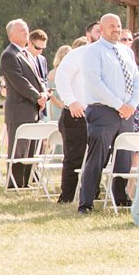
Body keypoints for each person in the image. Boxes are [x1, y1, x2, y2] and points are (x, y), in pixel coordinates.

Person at [76, 14, 139, 213]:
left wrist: (131, 104)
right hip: (103, 111)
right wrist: (118, 104)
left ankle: (120, 196)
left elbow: (137, 80)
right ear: (102, 29)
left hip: (126, 112)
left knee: (124, 157)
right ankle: (86, 202)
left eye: (119, 26)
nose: (116, 29)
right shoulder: (92, 52)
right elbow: (95, 83)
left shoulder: (126, 52)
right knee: (98, 157)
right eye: (112, 26)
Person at [0, 18, 49, 187]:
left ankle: (25, 182)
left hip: (33, 108)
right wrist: (37, 96)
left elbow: (37, 78)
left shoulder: (26, 53)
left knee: (31, 147)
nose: (26, 32)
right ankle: (14, 184)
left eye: (27, 29)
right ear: (11, 34)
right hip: (19, 109)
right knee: (19, 149)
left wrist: (43, 94)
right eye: (22, 30)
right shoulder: (9, 55)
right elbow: (19, 81)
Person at [50, 36, 92, 203]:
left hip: (95, 113)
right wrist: (72, 102)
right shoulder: (76, 55)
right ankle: (67, 197)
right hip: (75, 113)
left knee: (93, 157)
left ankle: (90, 193)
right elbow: (62, 78)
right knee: (74, 157)